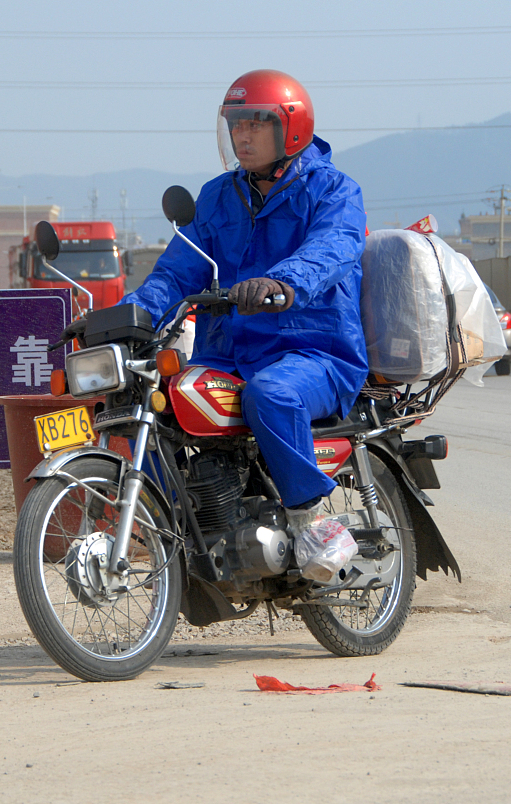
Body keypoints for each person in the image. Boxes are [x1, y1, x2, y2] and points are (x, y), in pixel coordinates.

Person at [120, 69, 369, 556]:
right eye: (236, 124)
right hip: (230, 352)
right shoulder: (217, 196)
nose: (243, 135)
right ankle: (180, 532)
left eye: (256, 123)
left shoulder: (333, 190)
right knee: (152, 399)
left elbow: (333, 247)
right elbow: (177, 273)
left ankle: (309, 522)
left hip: (314, 351)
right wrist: (126, 316)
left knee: (271, 393)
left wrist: (283, 283)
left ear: (290, 129)